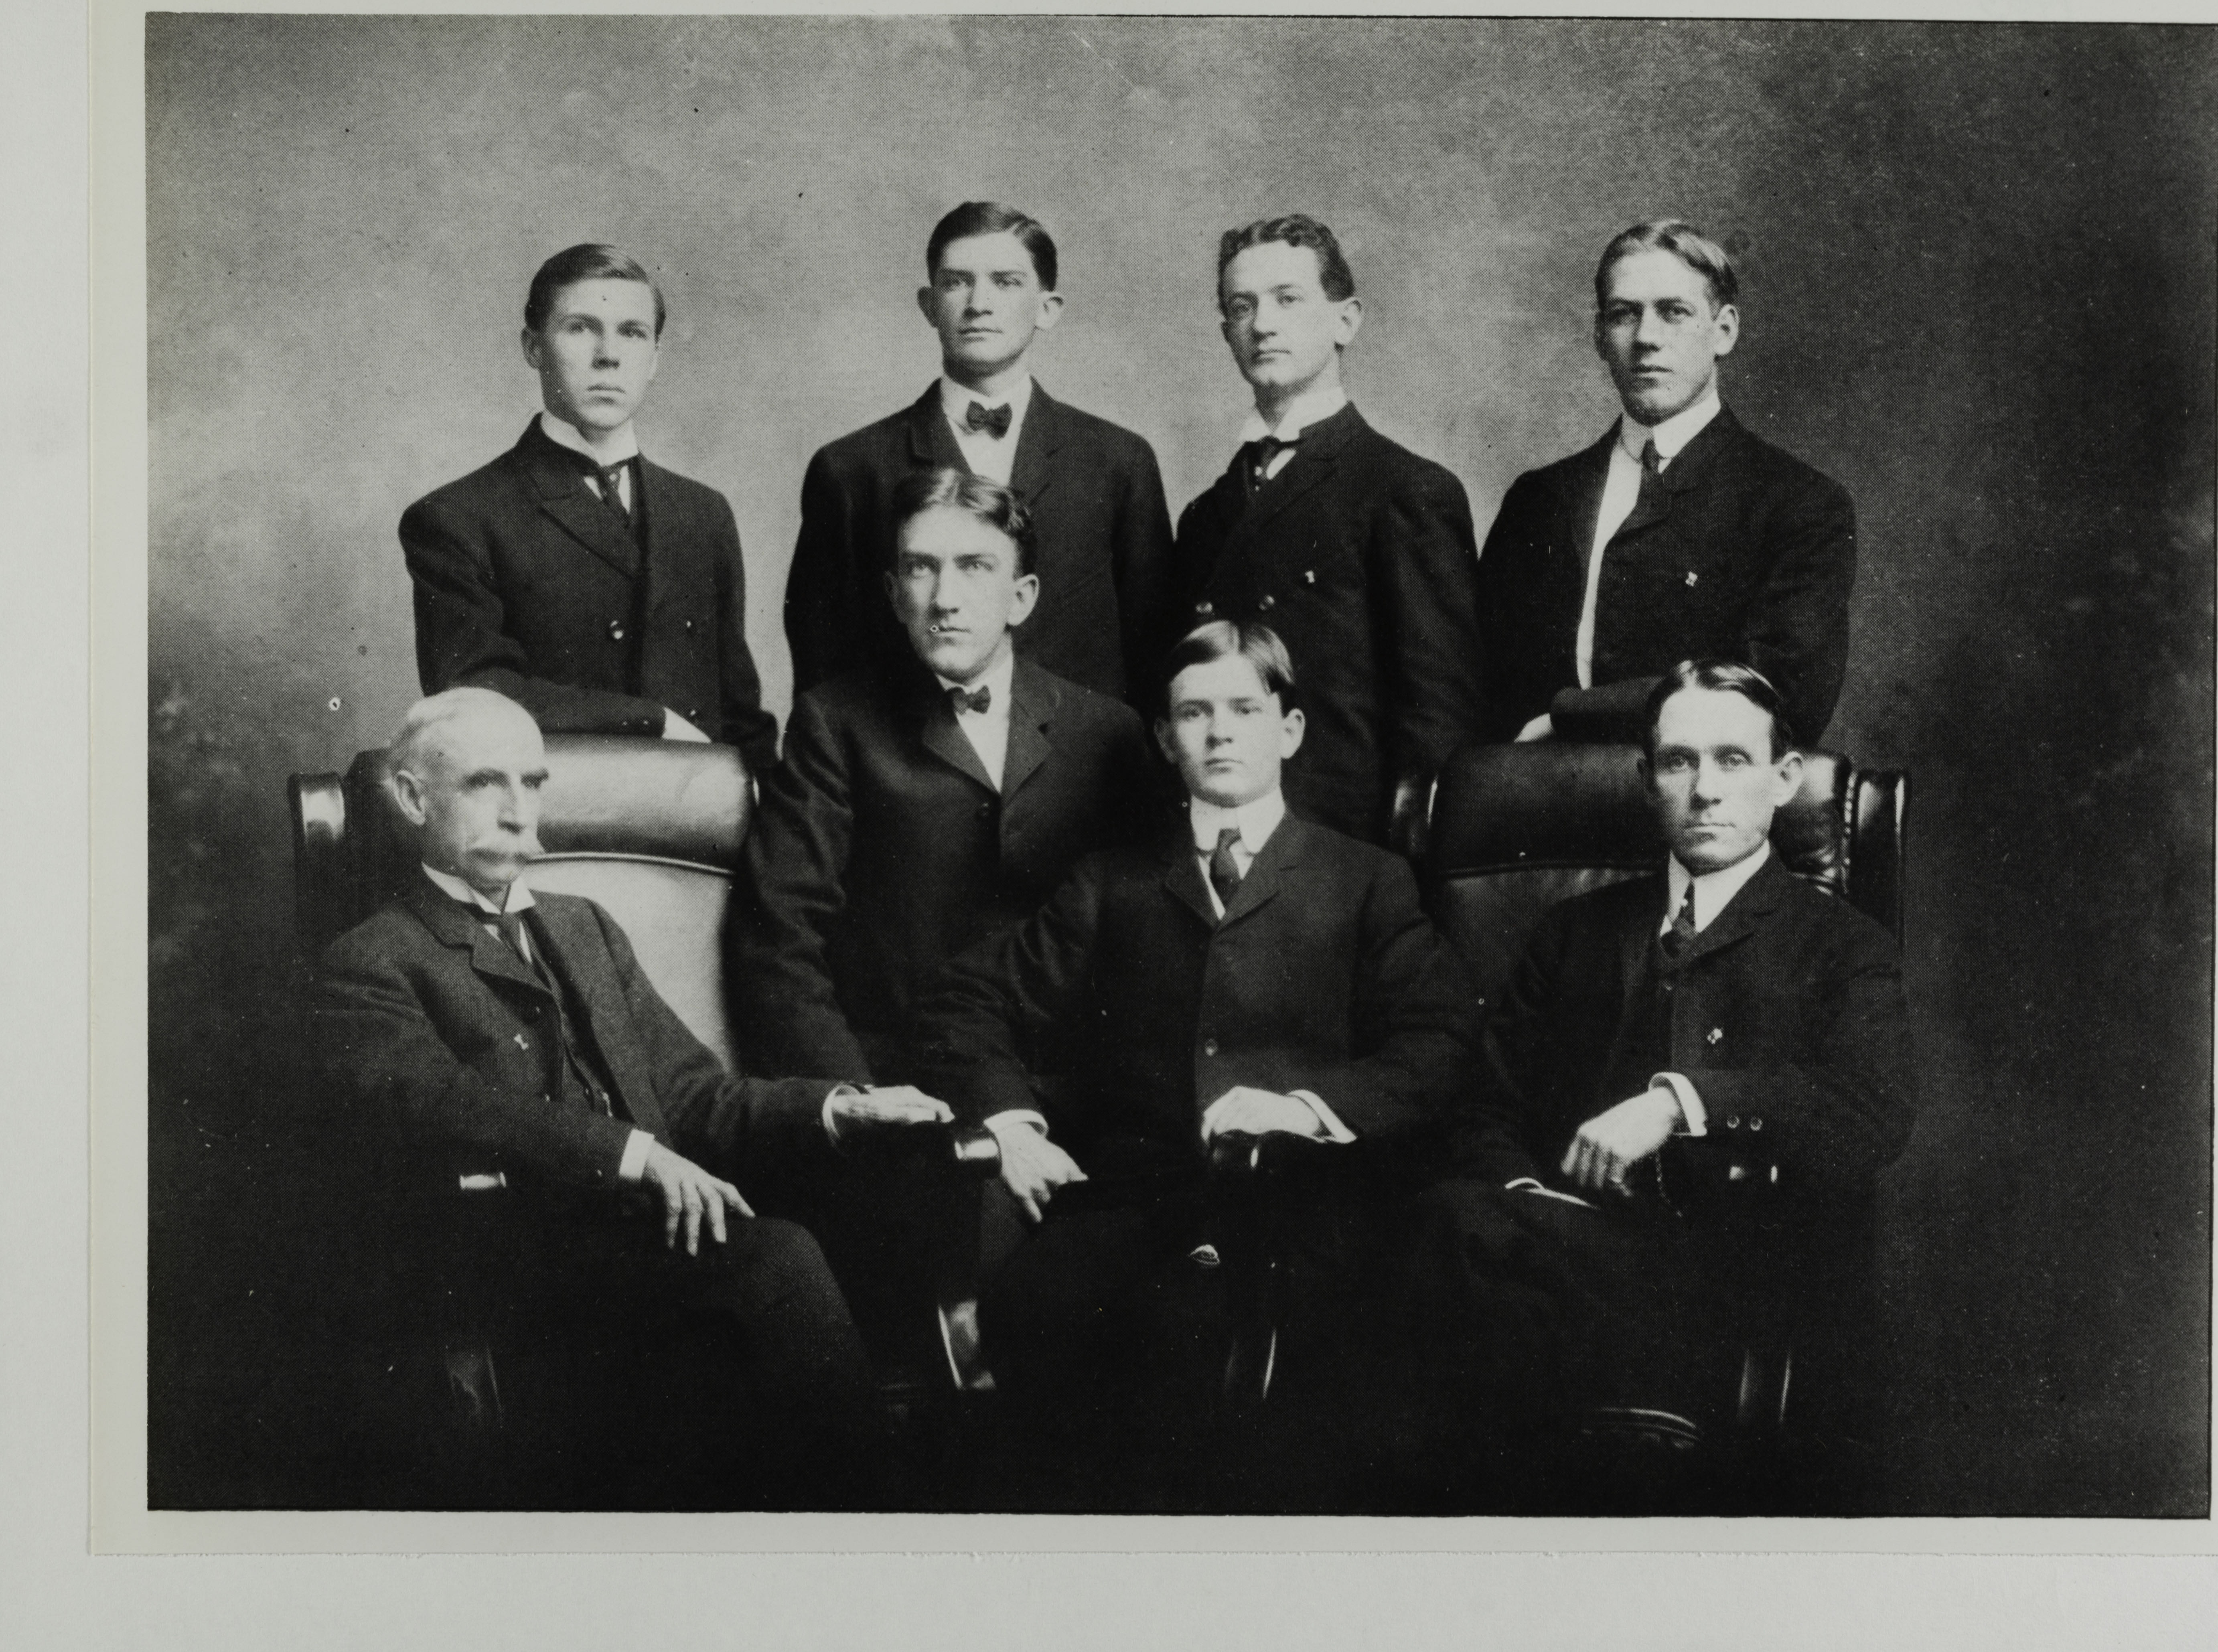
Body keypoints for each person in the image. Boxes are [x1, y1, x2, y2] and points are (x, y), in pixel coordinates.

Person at [311, 687, 951, 1507]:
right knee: (775, 1259)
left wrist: (834, 1106)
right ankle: (875, 1528)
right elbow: (448, 1104)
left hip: (654, 1251)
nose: (519, 811)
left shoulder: (585, 926)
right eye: (484, 784)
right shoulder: (370, 961)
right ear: (410, 797)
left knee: (811, 1245)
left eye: (533, 783)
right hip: (524, 1258)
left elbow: (691, 1096)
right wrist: (633, 1156)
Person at [912, 621, 1478, 1509]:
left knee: (1217, 1346)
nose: (1220, 732)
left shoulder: (1367, 880)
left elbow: (1439, 1046)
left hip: (1302, 1207)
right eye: (1194, 713)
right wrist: (1013, 1128)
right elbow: (966, 1009)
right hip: (1133, 1199)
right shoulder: (1110, 882)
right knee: (1037, 1307)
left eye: (1245, 709)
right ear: (1166, 740)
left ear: (1288, 730)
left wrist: (1305, 1108)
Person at [1401, 659, 1914, 1509]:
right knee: (1446, 1225)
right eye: (1679, 762)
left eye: (1732, 761)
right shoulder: (1573, 933)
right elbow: (1483, 1104)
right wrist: (1528, 1194)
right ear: (1647, 782)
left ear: (1784, 780)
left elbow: (1873, 1110)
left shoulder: (1841, 946)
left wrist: (1681, 1103)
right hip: (1553, 1251)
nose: (1705, 789)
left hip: (1724, 1275)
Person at [728, 470, 1155, 1356]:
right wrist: (864, 1107)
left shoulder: (1105, 732)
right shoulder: (837, 725)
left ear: (1023, 595)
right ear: (891, 592)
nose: (946, 597)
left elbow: (1142, 942)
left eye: (973, 568)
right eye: (920, 570)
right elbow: (780, 944)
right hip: (908, 1102)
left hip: (1076, 1103)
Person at [400, 243, 779, 772]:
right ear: (533, 348)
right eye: (580, 328)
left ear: (654, 360)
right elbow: (475, 692)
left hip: (700, 824)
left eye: (632, 332)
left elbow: (739, 713)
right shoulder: (459, 517)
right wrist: (651, 721)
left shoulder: (703, 513)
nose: (609, 355)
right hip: (555, 823)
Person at [1476, 219, 1856, 746]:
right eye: (1623, 315)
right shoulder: (1538, 500)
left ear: (1724, 331)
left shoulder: (1798, 504)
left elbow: (1783, 695)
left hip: (1701, 808)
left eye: (1674, 313)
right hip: (1539, 807)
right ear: (1598, 336)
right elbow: (1481, 680)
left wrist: (1574, 716)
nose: (1647, 338)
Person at [1168, 214, 1484, 844]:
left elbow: (1438, 718)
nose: (1263, 324)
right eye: (1242, 306)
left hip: (1346, 845)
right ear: (1226, 331)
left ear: (1346, 320)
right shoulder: (1206, 515)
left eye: (1288, 299)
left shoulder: (1406, 489)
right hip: (1220, 839)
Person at [784, 201, 1173, 706]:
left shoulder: (1119, 462)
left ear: (1048, 308)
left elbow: (1155, 651)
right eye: (956, 282)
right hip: (907, 774)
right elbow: (822, 665)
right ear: (928, 305)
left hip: (1082, 777)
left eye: (1006, 282)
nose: (979, 303)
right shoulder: (851, 470)